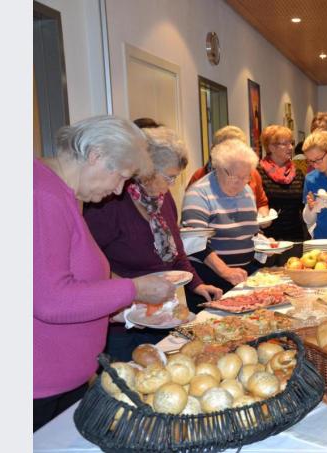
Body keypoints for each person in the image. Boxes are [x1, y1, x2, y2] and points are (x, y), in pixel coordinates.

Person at [34, 115, 175, 431]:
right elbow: (51, 300)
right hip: (39, 392)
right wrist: (132, 290)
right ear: (95, 155)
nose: (119, 190)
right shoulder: (43, 195)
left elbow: (77, 281)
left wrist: (117, 308)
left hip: (61, 384)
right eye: (122, 176)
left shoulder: (64, 194)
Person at [84, 124, 223, 361]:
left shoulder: (162, 198)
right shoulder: (110, 203)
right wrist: (132, 290)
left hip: (163, 311)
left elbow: (176, 251)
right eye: (169, 176)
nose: (172, 184)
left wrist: (197, 285)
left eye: (176, 177)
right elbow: (91, 265)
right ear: (146, 170)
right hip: (124, 321)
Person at [181, 139, 263, 311]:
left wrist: (263, 242)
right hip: (209, 280)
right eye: (235, 177)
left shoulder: (246, 191)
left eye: (246, 176)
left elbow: (249, 231)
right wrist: (225, 271)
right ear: (218, 168)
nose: (242, 183)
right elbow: (194, 244)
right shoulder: (198, 193)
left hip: (241, 277)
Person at [186, 125, 270, 218]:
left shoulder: (253, 174)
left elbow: (262, 203)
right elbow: (192, 215)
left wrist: (263, 216)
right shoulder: (200, 178)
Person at [258, 125, 308, 265]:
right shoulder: (258, 172)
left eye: (291, 143)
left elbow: (303, 206)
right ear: (271, 147)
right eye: (285, 144)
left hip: (295, 239)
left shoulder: (297, 173)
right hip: (268, 242)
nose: (291, 147)